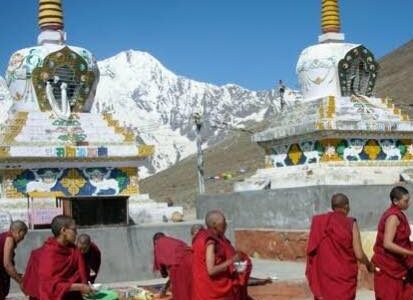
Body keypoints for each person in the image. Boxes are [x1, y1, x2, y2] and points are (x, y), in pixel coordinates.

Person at [306, 193, 374, 300]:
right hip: (344, 277)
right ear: (346, 206)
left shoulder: (319, 222)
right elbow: (359, 254)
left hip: (325, 276)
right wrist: (369, 265)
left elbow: (312, 250)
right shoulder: (350, 223)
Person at [36, 215, 92, 300]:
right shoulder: (49, 253)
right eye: (74, 230)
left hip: (74, 296)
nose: (76, 233)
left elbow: (81, 272)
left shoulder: (73, 249)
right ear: (63, 230)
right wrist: (79, 287)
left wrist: (83, 287)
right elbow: (50, 285)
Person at [372, 186, 413, 300]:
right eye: (405, 201)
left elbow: (401, 240)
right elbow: (387, 244)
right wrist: (410, 253)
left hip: (399, 264)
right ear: (395, 201)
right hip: (388, 266)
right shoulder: (393, 217)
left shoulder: (399, 214)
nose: (408, 203)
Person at [192, 210, 241, 300]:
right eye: (223, 222)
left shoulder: (203, 235)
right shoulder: (210, 241)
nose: (226, 225)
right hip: (213, 290)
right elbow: (211, 270)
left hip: (203, 286)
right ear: (215, 225)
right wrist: (232, 261)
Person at [153, 232, 192, 300]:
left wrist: (163, 291)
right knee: (190, 289)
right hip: (192, 261)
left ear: (155, 241)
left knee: (180, 292)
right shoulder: (175, 241)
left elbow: (164, 274)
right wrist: (165, 288)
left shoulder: (158, 244)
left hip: (179, 266)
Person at [0, 220, 27, 299]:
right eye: (23, 235)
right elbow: (7, 265)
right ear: (19, 231)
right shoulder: (9, 239)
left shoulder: (5, 236)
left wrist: (17, 275)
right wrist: (21, 281)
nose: (23, 238)